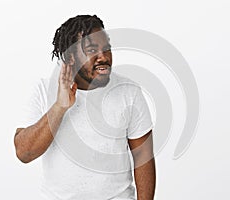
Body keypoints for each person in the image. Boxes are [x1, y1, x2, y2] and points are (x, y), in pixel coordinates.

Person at [14, 15, 156, 200]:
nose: (103, 57)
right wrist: (59, 107)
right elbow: (24, 153)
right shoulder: (43, 90)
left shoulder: (128, 91)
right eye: (91, 50)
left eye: (107, 48)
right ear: (71, 57)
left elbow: (143, 157)